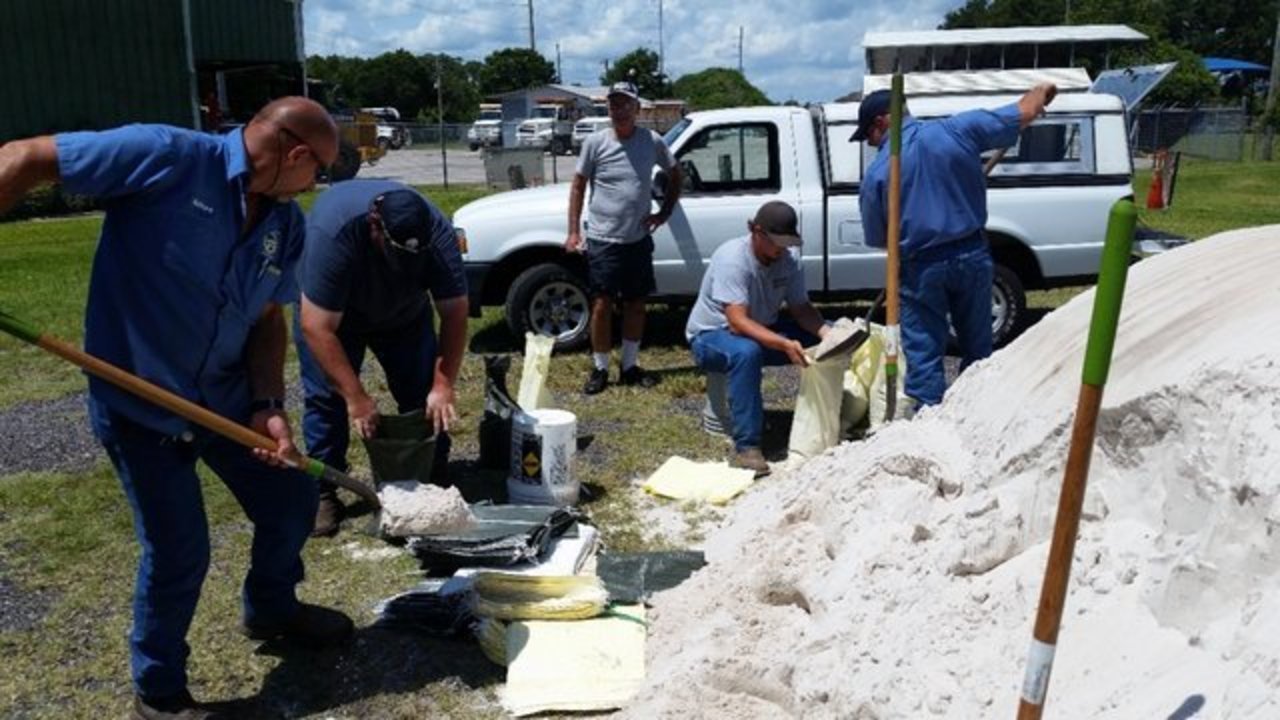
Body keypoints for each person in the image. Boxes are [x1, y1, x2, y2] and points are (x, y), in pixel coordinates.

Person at [0, 97, 352, 720]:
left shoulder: (283, 223)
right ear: (295, 154)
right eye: (317, 169)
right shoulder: (165, 157)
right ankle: (159, 692)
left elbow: (269, 318)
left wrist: (268, 404)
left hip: (225, 399)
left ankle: (271, 608)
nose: (315, 183)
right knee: (179, 547)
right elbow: (24, 158)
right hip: (142, 405)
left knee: (291, 501)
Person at [855, 83, 1058, 408]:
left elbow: (880, 239)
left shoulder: (878, 174)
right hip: (971, 255)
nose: (871, 144)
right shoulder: (957, 130)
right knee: (978, 348)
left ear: (881, 122)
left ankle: (928, 421)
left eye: (870, 135)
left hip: (921, 266)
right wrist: (1042, 91)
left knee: (924, 355)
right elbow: (1025, 110)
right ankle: (978, 413)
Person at [294, 179, 468, 536]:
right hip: (334, 318)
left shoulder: (438, 235)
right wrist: (356, 397)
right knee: (328, 400)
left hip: (405, 314)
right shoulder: (334, 234)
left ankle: (432, 474)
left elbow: (455, 313)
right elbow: (316, 327)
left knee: (423, 394)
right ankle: (322, 491)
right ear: (375, 225)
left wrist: (443, 382)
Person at [685, 201, 830, 477]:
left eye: (786, 242)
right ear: (755, 231)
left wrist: (826, 334)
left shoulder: (789, 260)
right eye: (776, 242)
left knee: (832, 338)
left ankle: (833, 417)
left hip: (760, 328)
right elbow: (737, 322)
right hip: (712, 335)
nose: (781, 249)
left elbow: (801, 309)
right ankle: (747, 447)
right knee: (746, 353)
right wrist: (783, 344)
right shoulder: (732, 258)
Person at [565, 80, 683, 394]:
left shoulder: (652, 141)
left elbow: (675, 174)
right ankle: (600, 368)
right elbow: (578, 186)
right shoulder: (596, 143)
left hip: (637, 240)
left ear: (637, 108)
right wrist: (574, 231)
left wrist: (664, 212)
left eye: (625, 104)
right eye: (614, 104)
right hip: (604, 239)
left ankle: (629, 366)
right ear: (609, 108)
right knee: (601, 304)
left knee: (635, 304)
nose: (619, 110)